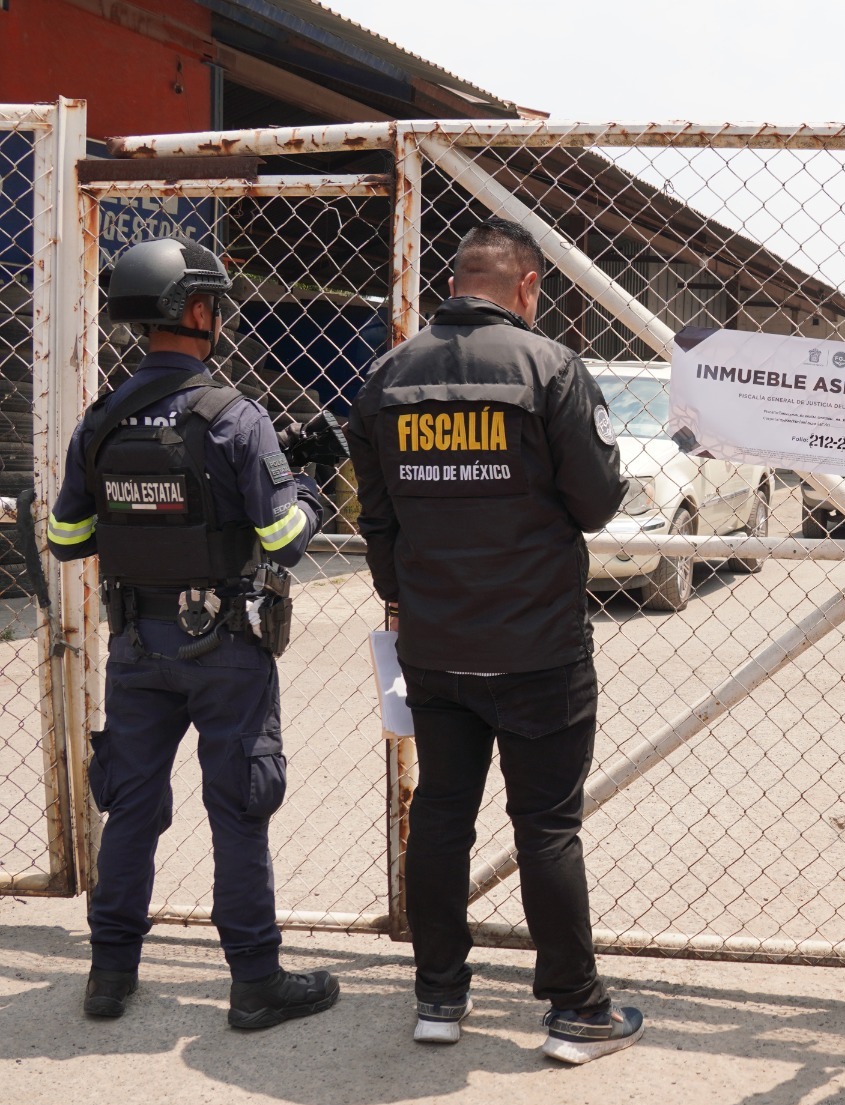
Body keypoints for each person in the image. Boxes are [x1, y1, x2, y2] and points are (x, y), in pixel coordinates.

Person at [347, 217, 643, 1062]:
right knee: (546, 824)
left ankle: (439, 996)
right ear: (527, 286)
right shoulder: (550, 368)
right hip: (538, 645)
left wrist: (404, 600)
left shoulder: (385, 377)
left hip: (436, 645)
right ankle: (576, 1011)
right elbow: (596, 504)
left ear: (454, 283)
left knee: (441, 810)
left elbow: (375, 516)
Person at [47, 236, 339, 1029]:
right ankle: (253, 980)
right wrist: (311, 484)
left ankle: (109, 974)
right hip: (226, 649)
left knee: (133, 806)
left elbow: (67, 538)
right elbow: (283, 539)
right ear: (199, 311)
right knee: (237, 807)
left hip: (136, 645)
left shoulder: (100, 422)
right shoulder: (234, 417)